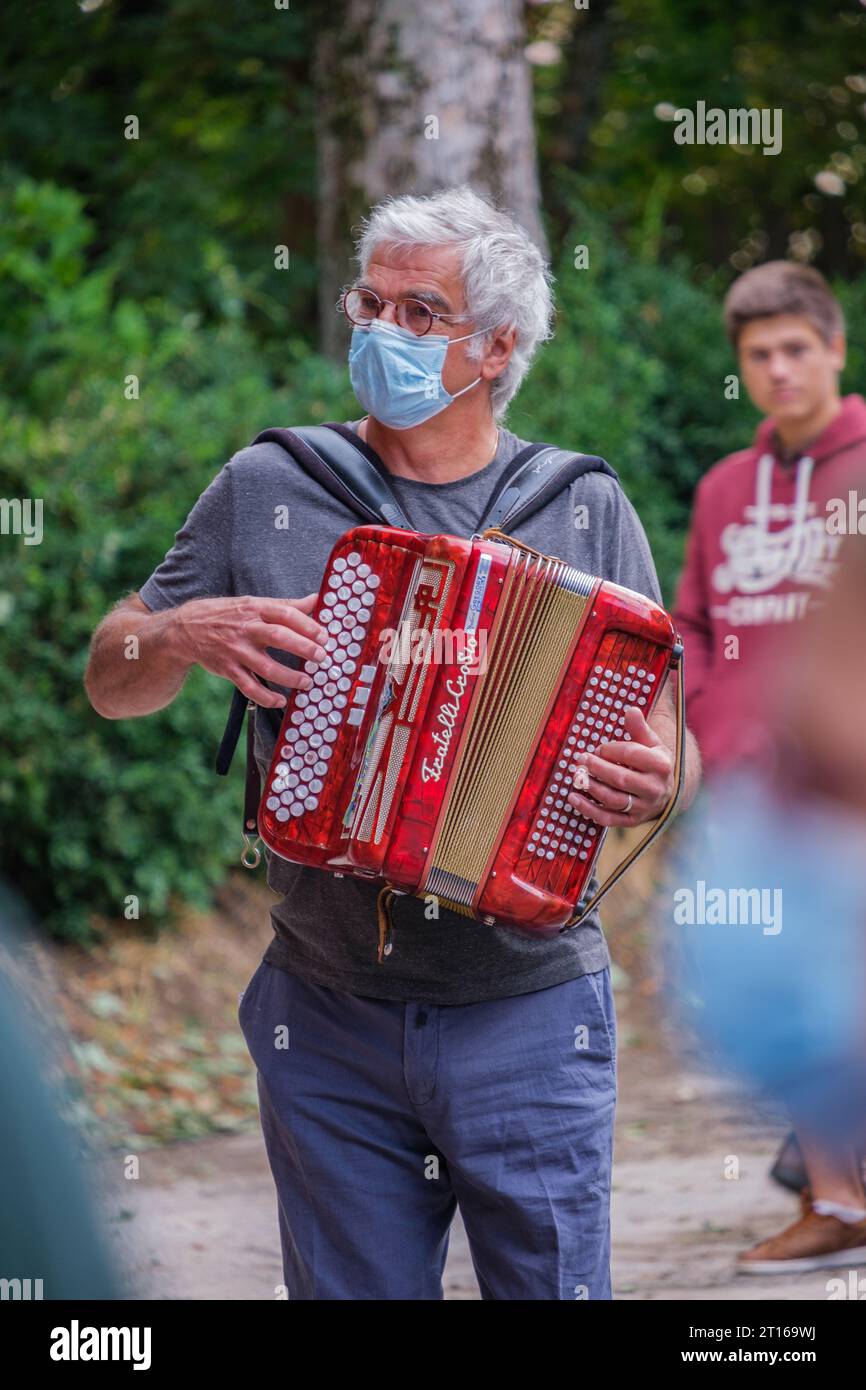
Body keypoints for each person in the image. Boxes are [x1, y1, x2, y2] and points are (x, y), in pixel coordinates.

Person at [84, 184, 700, 1300]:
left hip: (529, 1007)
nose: (378, 330)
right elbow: (109, 676)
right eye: (368, 303)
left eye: (419, 313)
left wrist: (652, 779)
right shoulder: (270, 484)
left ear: (497, 346)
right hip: (326, 1009)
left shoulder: (580, 505)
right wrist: (174, 631)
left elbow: (668, 740)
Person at [672, 259, 866, 1272]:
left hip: (852, 785)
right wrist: (705, 729)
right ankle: (834, 1202)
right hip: (752, 786)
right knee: (789, 999)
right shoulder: (722, 491)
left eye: (796, 347)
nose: (778, 368)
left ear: (834, 348)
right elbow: (691, 622)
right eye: (758, 354)